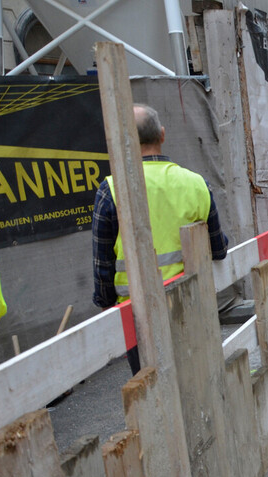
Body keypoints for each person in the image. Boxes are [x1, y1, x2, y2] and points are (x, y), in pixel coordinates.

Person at [92, 103, 229, 373]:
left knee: (153, 391)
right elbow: (218, 249)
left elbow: (102, 267)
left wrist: (107, 306)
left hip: (137, 315)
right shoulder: (196, 183)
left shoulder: (111, 190)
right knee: (199, 383)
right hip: (190, 307)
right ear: (163, 135)